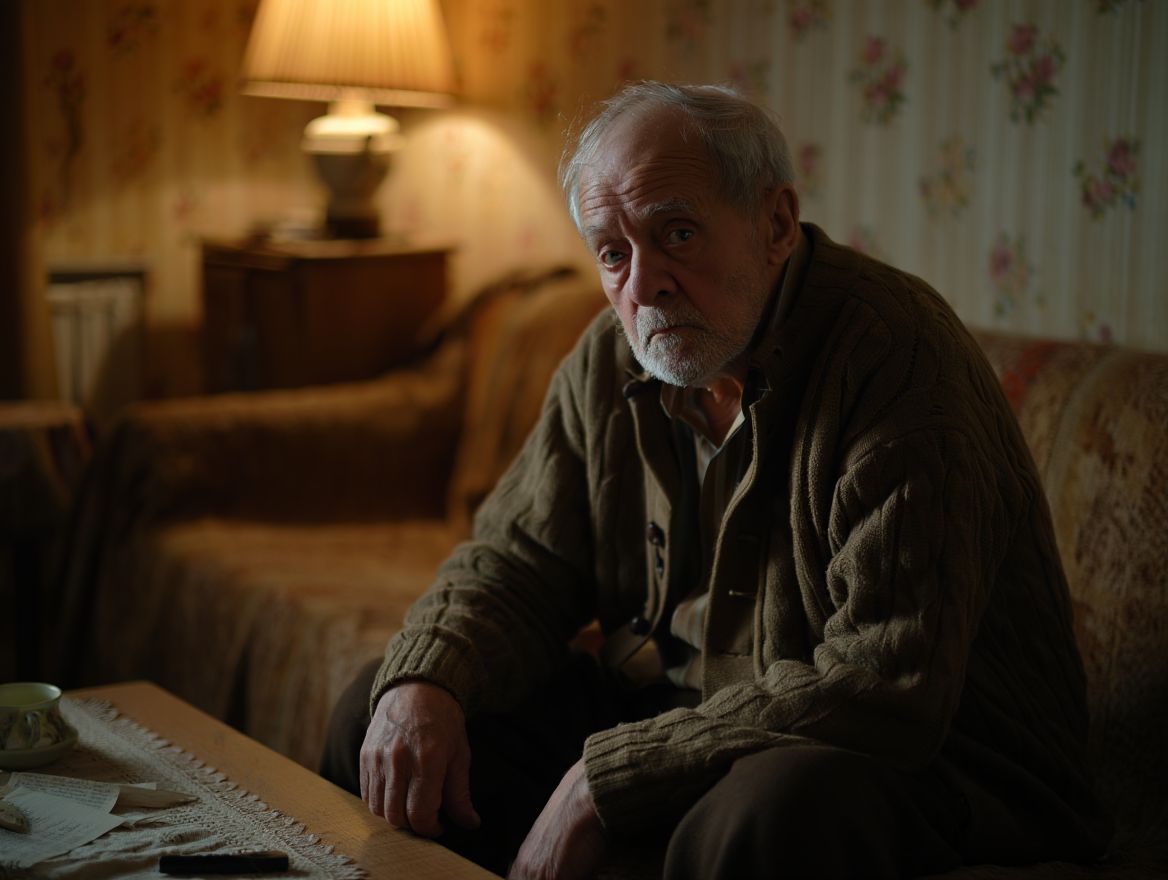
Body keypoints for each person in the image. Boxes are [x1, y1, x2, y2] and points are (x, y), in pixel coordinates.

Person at [321, 81, 1112, 880]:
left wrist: (608, 778)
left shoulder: (898, 362)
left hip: (934, 764)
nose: (644, 285)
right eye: (613, 252)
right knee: (388, 719)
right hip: (683, 715)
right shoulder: (611, 356)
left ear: (776, 224)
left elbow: (884, 685)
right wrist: (430, 674)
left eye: (678, 233)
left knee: (764, 814)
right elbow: (515, 562)